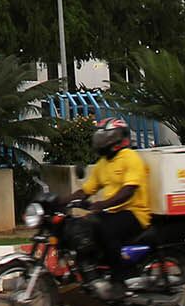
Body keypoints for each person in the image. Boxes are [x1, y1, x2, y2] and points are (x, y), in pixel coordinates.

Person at [63, 119, 152, 292]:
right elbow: (86, 190)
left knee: (105, 228)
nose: (103, 142)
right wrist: (58, 200)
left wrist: (101, 204)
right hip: (113, 212)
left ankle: (121, 277)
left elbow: (128, 190)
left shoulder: (131, 158)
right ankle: (92, 272)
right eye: (100, 138)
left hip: (134, 213)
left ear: (119, 139)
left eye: (106, 138)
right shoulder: (102, 164)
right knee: (82, 226)